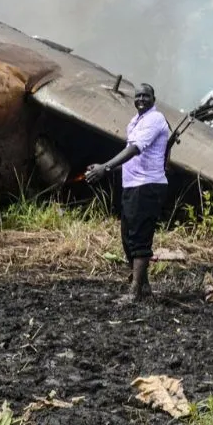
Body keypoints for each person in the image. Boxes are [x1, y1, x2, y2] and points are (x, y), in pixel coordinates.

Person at [85, 83, 170, 303]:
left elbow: (134, 149)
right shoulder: (135, 122)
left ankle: (133, 292)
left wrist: (106, 167)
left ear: (154, 98)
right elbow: (134, 158)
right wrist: (106, 167)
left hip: (147, 185)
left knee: (140, 237)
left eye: (146, 95)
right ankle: (145, 288)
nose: (141, 99)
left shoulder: (155, 119)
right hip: (132, 185)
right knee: (128, 237)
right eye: (138, 96)